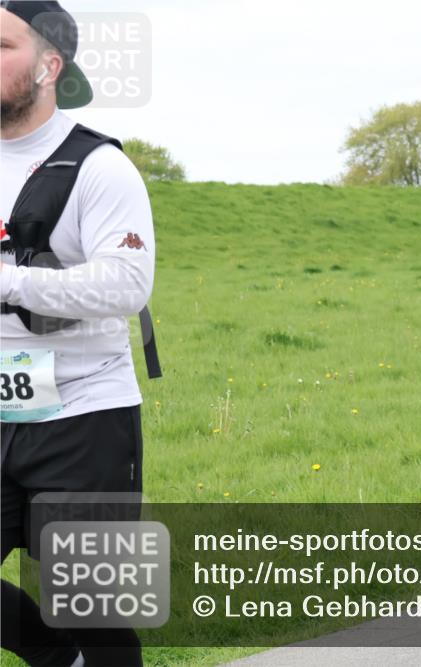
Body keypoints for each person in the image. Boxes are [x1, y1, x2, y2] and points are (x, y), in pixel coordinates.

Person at [1, 2, 155, 664]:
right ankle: (56, 658)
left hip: (84, 415)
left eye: (2, 45)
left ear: (48, 66)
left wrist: (9, 282)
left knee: (92, 610)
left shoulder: (98, 167)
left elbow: (127, 285)